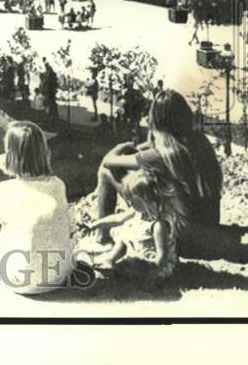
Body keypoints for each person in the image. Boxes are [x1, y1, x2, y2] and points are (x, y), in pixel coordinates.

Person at [93, 89, 222, 253]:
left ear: (157, 120)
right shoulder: (199, 140)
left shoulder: (160, 154)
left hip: (181, 238)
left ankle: (102, 237)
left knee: (105, 171)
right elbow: (150, 150)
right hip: (209, 228)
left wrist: (122, 146)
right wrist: (142, 148)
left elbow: (109, 161)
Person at [0, 121, 74, 292]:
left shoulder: (7, 191)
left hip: (20, 281)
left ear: (11, 156)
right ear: (44, 152)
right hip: (59, 276)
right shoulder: (58, 185)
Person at [87, 164, 187, 279]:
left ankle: (117, 269)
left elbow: (161, 259)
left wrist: (147, 271)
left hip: (152, 264)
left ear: (147, 200)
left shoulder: (159, 225)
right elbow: (118, 219)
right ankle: (110, 259)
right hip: (137, 252)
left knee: (128, 271)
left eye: (133, 201)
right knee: (124, 233)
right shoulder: (137, 211)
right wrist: (95, 224)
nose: (130, 203)